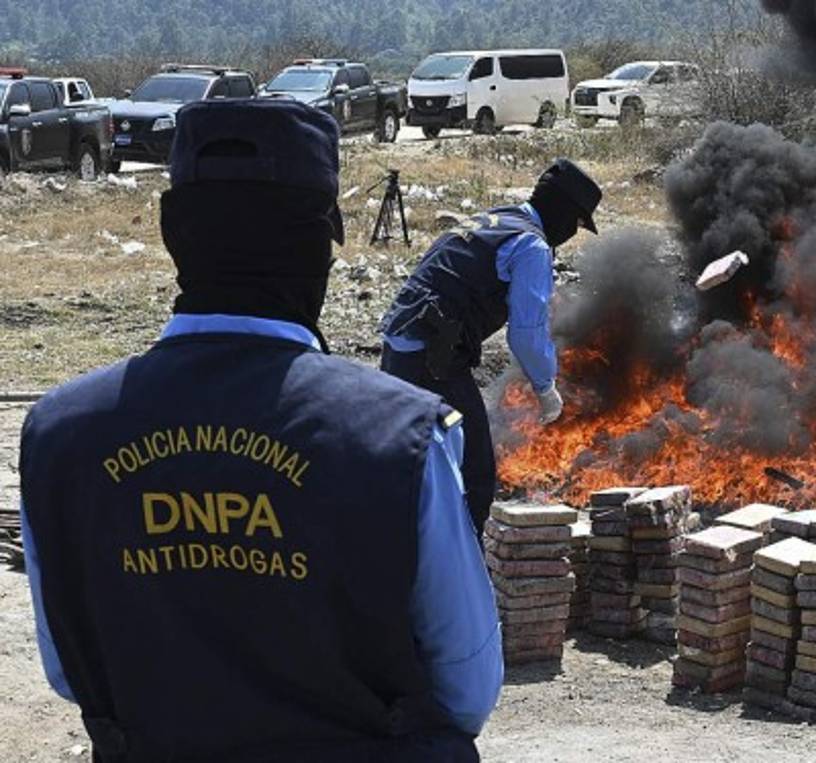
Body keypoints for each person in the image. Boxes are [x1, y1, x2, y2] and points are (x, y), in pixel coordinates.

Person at [19, 99, 501, 762]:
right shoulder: (403, 436)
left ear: (172, 233)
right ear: (319, 245)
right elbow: (467, 690)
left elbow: (68, 673)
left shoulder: (58, 433)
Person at [379, 159, 602, 531]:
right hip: (432, 359)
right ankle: (466, 562)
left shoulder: (495, 219)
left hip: (398, 348)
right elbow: (526, 334)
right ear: (564, 212)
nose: (571, 233)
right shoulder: (531, 245)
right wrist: (545, 388)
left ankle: (405, 551)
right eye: (576, 223)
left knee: (410, 464)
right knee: (476, 474)